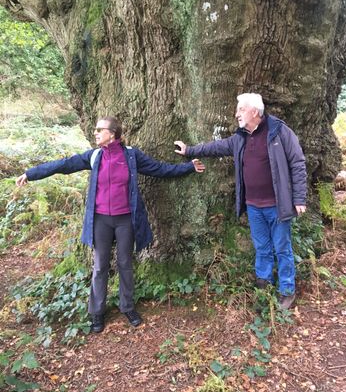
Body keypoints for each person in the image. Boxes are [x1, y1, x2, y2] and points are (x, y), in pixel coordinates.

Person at [16, 116, 205, 333]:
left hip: (125, 219)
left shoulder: (131, 156)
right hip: (100, 221)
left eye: (99, 129)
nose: (95, 133)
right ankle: (97, 312)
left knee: (125, 264)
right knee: (100, 266)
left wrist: (189, 167)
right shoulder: (94, 156)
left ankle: (128, 306)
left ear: (112, 133)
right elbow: (64, 164)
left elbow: (160, 169)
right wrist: (31, 174)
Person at [174, 93, 307, 310]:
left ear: (254, 111)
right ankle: (263, 284)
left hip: (277, 205)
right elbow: (216, 147)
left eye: (241, 110)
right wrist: (190, 150)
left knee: (282, 248)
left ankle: (286, 291)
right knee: (262, 247)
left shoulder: (279, 132)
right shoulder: (241, 137)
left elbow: (298, 163)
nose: (237, 114)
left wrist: (299, 198)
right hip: (254, 206)